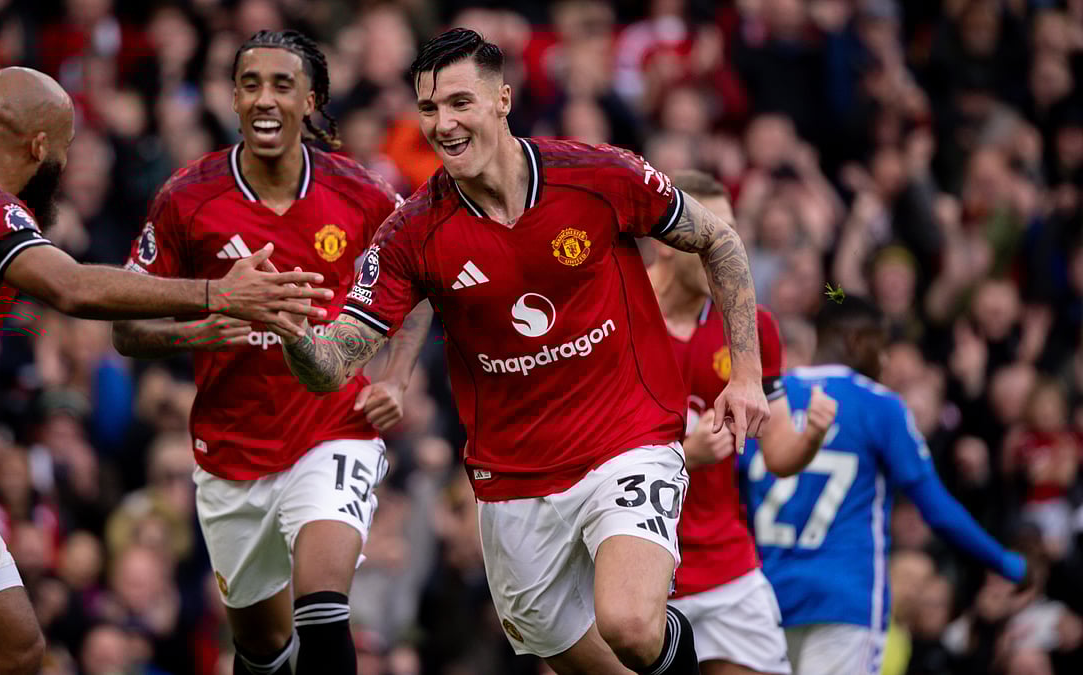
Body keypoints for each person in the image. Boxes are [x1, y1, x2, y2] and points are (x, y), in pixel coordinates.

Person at [273, 28, 771, 675]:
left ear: (503, 98)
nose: (443, 124)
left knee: (628, 622)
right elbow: (337, 356)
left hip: (628, 440)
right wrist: (291, 332)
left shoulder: (598, 175)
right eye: (428, 109)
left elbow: (720, 242)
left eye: (459, 103)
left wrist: (749, 372)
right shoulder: (412, 233)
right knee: (568, 652)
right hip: (513, 480)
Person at [0, 67, 327, 674]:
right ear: (39, 148)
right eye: (62, 155)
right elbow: (71, 288)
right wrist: (218, 294)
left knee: (13, 652)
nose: (60, 172)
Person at [111, 30, 431, 675]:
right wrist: (208, 316)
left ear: (311, 99)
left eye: (282, 84)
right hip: (231, 450)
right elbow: (127, 327)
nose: (265, 98)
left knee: (322, 607)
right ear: (232, 96)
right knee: (259, 647)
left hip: (334, 427)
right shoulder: (188, 197)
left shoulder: (361, 193)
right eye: (250, 83)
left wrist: (396, 377)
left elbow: (418, 284)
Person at [737, 296, 1028, 675]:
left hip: (765, 600)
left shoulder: (765, 400)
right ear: (856, 341)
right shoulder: (881, 407)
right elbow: (938, 510)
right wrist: (1006, 563)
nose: (886, 360)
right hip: (847, 600)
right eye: (882, 346)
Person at [645, 170, 837, 675]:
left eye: (727, 233)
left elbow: (778, 455)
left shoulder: (752, 327)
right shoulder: (616, 317)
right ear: (664, 242)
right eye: (705, 235)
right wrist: (687, 454)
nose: (721, 248)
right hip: (636, 565)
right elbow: (585, 454)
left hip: (724, 563)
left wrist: (812, 436)